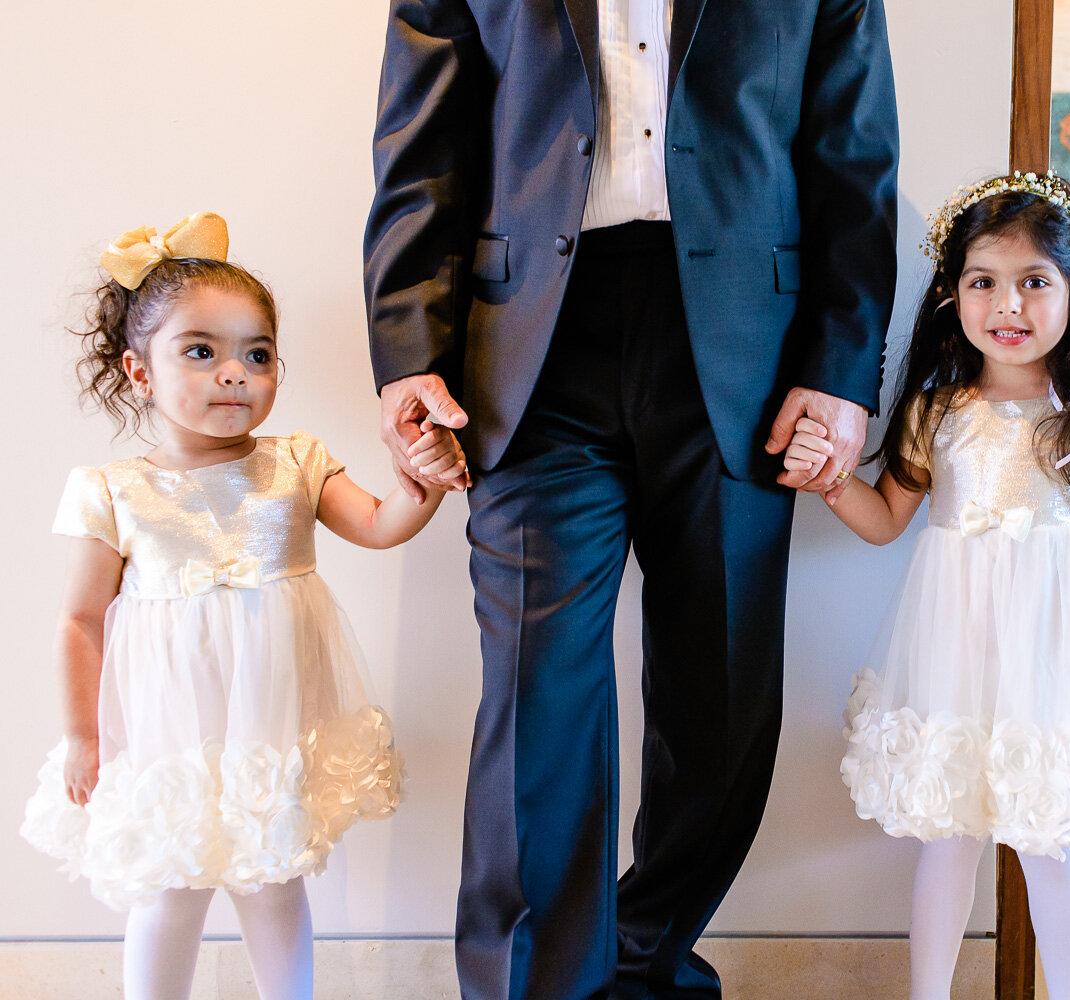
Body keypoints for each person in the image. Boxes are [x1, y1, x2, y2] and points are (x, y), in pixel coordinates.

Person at [362, 3, 899, 998]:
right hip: (527, 348)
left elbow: (854, 153)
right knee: (537, 694)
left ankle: (646, 962)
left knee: (723, 693)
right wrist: (407, 357)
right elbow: (421, 147)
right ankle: (537, 988)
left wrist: (843, 368)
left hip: (749, 349)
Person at [20, 214, 466, 1000]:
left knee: (273, 879)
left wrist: (417, 485)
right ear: (140, 371)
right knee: (170, 884)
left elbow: (377, 524)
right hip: (168, 731)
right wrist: (81, 734)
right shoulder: (112, 491)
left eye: (256, 354)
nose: (235, 373)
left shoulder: (295, 463)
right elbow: (80, 620)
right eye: (202, 351)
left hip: (272, 721)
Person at [784, 173, 1070, 1000]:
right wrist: (829, 481)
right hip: (956, 652)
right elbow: (885, 517)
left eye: (1035, 281)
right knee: (950, 835)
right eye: (983, 282)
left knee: (1048, 840)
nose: (1009, 304)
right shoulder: (939, 411)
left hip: (1057, 657)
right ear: (954, 296)